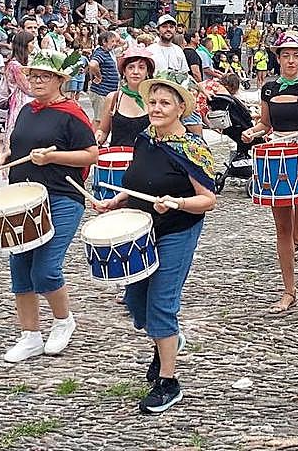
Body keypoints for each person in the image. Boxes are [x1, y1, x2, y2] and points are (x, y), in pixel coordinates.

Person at [95, 74, 217, 414]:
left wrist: (177, 203)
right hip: (143, 228)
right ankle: (168, 342)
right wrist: (115, 200)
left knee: (162, 304)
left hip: (178, 230)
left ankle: (168, 381)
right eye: (153, 102)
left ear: (180, 108)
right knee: (136, 304)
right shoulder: (144, 138)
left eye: (165, 103)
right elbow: (137, 182)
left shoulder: (191, 148)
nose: (156, 108)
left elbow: (208, 200)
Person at [0, 50, 98, 363]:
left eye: (43, 76)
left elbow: (91, 154)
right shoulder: (25, 111)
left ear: (60, 80)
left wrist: (53, 157)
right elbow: (15, 147)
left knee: (46, 270)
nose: (35, 81)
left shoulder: (72, 113)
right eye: (32, 76)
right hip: (22, 198)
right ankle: (30, 336)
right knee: (20, 271)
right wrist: (1, 160)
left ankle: (64, 321)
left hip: (61, 197)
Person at [244, 33, 298, 316]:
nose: (291, 60)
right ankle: (289, 292)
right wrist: (251, 132)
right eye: (286, 55)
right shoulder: (269, 89)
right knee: (282, 229)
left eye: (296, 54)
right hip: (279, 156)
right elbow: (266, 125)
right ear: (278, 57)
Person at [95, 44, 156, 147]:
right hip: (118, 159)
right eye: (131, 67)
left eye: (141, 67)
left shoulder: (155, 99)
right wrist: (96, 138)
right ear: (124, 71)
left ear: (147, 72)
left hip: (147, 160)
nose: (135, 72)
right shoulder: (113, 98)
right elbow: (103, 131)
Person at [87, 31, 121, 125]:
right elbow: (93, 64)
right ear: (104, 42)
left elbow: (123, 43)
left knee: (102, 118)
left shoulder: (109, 52)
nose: (115, 43)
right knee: (99, 120)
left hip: (107, 92)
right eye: (112, 41)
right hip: (101, 91)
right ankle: (95, 139)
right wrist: (98, 76)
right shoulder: (100, 52)